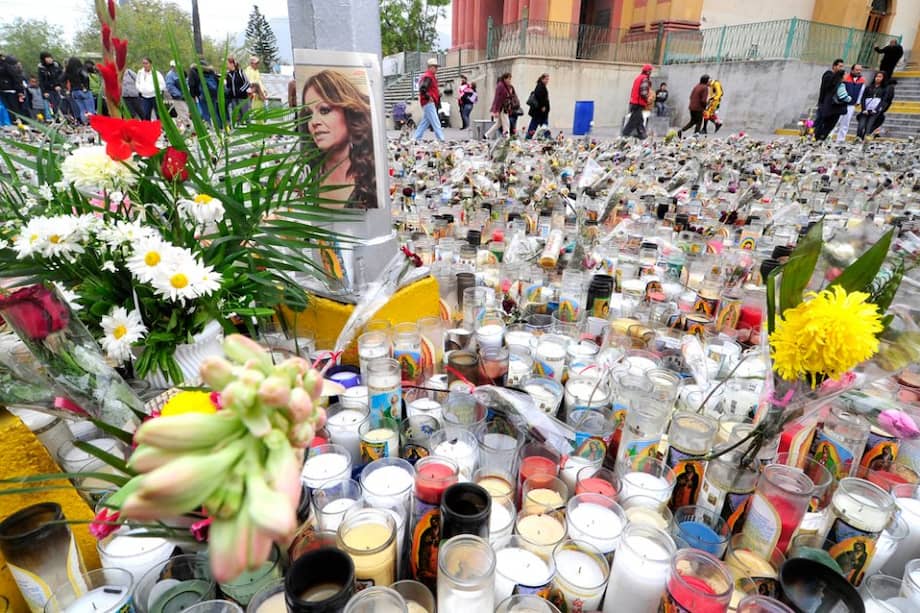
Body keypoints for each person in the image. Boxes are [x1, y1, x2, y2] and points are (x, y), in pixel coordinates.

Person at [302, 69, 378, 209]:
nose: (314, 122)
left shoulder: (372, 172)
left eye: (324, 110)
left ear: (348, 112)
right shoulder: (305, 174)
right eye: (308, 114)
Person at [856, 71, 895, 139]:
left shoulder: (884, 89)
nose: (878, 78)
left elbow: (883, 100)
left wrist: (877, 109)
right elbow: (863, 98)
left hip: (875, 111)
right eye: (877, 76)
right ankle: (858, 138)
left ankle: (864, 141)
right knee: (860, 127)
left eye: (880, 77)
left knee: (868, 128)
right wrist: (864, 109)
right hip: (865, 110)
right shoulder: (868, 87)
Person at [814, 68, 850, 141]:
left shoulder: (832, 84)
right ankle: (821, 139)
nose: (847, 76)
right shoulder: (841, 85)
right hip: (836, 109)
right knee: (829, 126)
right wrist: (849, 98)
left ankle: (817, 137)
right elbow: (844, 97)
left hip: (828, 108)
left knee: (823, 124)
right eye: (845, 75)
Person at [413, 57, 444, 142]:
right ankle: (441, 139)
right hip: (428, 102)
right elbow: (422, 89)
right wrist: (429, 97)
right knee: (435, 121)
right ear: (430, 67)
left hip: (427, 102)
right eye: (435, 67)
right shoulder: (428, 76)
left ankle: (415, 138)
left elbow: (424, 88)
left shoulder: (429, 76)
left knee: (425, 122)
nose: (437, 69)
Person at [833, 64, 864, 142]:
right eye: (857, 70)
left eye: (860, 70)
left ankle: (840, 140)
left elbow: (861, 92)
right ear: (852, 70)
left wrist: (858, 101)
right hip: (841, 104)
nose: (858, 71)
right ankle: (829, 136)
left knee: (845, 123)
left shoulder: (862, 80)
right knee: (836, 121)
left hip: (851, 105)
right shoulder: (845, 78)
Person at [622, 63, 652, 138]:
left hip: (634, 102)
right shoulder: (644, 79)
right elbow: (643, 92)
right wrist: (647, 99)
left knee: (639, 119)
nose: (651, 72)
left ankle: (642, 135)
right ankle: (625, 134)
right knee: (634, 120)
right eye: (650, 71)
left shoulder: (638, 78)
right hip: (639, 102)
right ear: (648, 71)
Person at [64, 57, 94, 125]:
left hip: (74, 92)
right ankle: (91, 123)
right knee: (90, 108)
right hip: (83, 91)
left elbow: (61, 78)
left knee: (82, 109)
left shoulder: (68, 71)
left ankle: (85, 123)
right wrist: (85, 87)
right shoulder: (81, 69)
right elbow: (86, 77)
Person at [485, 72, 513, 139]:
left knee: (498, 124)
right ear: (504, 79)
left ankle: (486, 135)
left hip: (503, 107)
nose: (509, 80)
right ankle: (507, 139)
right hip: (502, 108)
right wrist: (496, 110)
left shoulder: (505, 86)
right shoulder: (501, 86)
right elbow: (497, 99)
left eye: (510, 79)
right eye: (508, 79)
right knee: (506, 124)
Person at [37, 51, 64, 119]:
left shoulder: (56, 65)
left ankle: (65, 118)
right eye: (47, 58)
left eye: (50, 57)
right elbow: (41, 81)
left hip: (58, 88)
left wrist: (60, 85)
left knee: (61, 104)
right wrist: (44, 92)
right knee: (53, 106)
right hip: (49, 90)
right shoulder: (41, 68)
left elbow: (62, 76)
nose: (49, 59)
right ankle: (57, 119)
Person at [224, 57, 250, 126]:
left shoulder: (240, 72)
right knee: (236, 116)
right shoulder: (228, 74)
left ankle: (250, 130)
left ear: (232, 64)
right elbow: (228, 86)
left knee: (245, 115)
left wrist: (240, 90)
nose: (226, 66)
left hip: (242, 98)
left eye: (227, 64)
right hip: (233, 99)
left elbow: (247, 83)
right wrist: (228, 91)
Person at [164, 60, 189, 126]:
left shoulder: (180, 73)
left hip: (184, 96)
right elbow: (170, 87)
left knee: (184, 111)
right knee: (183, 112)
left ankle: (179, 125)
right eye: (174, 66)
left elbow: (186, 83)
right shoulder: (170, 75)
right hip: (177, 97)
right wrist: (178, 95)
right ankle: (187, 127)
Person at [526, 73, 550, 139]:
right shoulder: (540, 86)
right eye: (546, 79)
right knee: (539, 124)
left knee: (541, 124)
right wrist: (543, 106)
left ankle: (547, 137)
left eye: (548, 79)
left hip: (539, 112)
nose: (547, 81)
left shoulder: (541, 86)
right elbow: (539, 97)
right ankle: (528, 137)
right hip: (539, 111)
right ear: (542, 79)